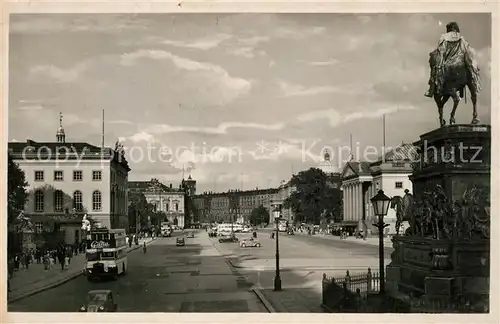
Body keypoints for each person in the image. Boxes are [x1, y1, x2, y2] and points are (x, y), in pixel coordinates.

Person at [425, 21, 481, 98]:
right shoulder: (461, 38)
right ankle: (475, 82)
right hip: (461, 60)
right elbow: (466, 50)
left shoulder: (444, 37)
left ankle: (432, 89)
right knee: (472, 69)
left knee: (435, 68)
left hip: (448, 61)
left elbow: (441, 50)